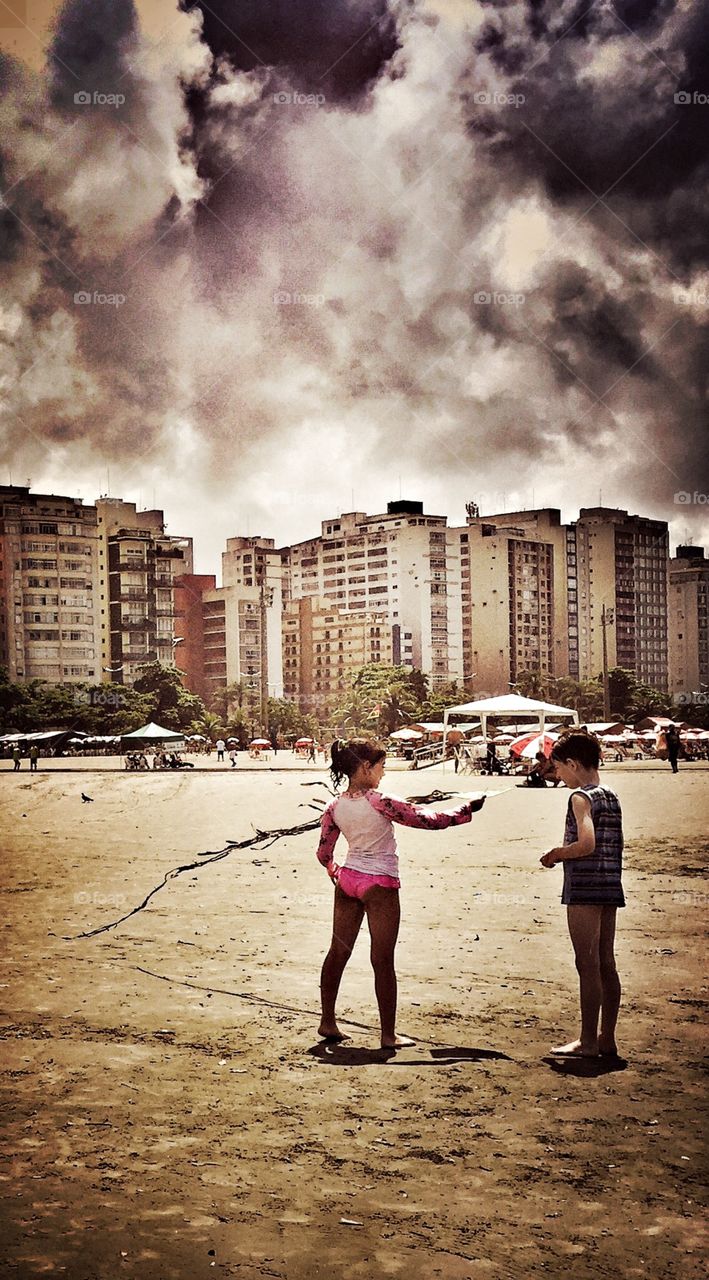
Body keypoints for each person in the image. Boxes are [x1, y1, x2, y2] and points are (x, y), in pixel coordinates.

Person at [316, 737, 486, 1049]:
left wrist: (336, 871)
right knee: (382, 959)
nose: (383, 772)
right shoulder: (381, 801)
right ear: (366, 767)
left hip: (349, 882)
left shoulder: (335, 806)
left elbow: (324, 852)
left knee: (338, 952)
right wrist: (465, 809)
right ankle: (388, 1035)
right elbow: (426, 819)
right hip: (379, 884)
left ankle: (327, 1021)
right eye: (380, 766)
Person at [540, 728, 624, 1058]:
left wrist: (557, 854)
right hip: (609, 886)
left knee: (586, 964)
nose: (558, 776)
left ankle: (587, 1041)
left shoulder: (581, 797)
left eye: (559, 768)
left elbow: (587, 843)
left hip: (585, 889)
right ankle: (607, 1038)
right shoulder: (610, 794)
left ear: (573, 764)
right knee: (607, 963)